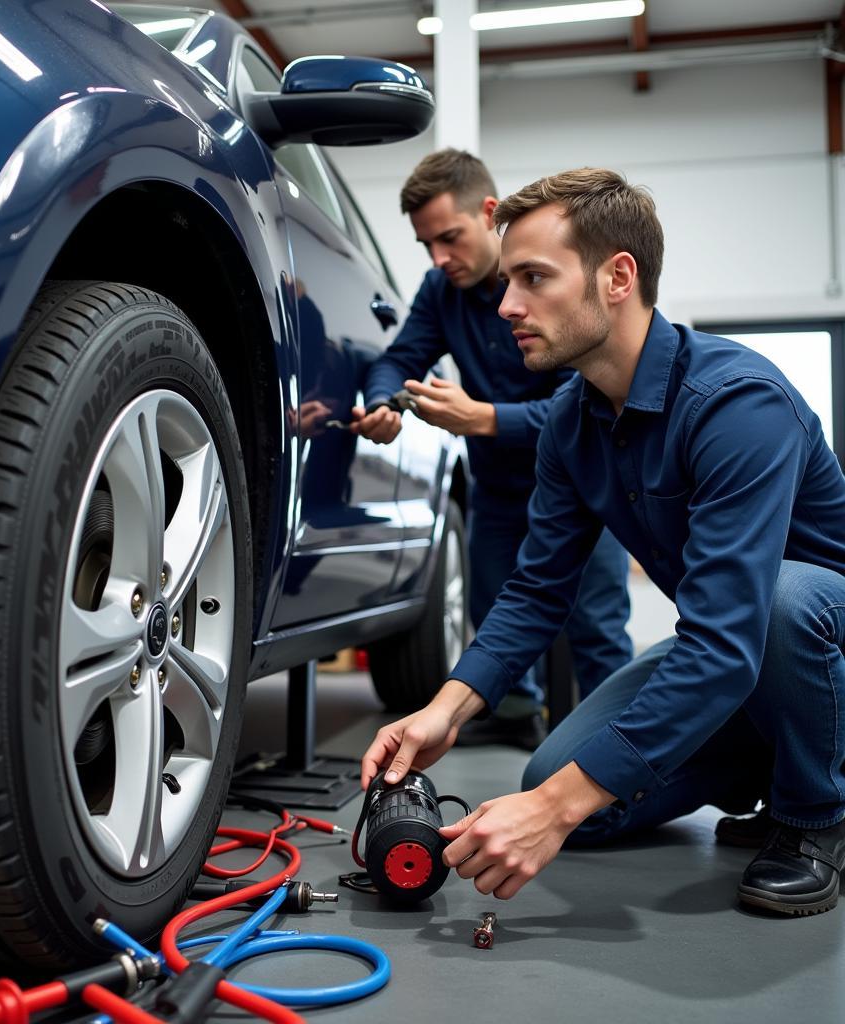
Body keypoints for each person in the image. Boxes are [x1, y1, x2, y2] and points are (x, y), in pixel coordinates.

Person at [360, 166, 845, 916]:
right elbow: (536, 589)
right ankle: (762, 756)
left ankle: (817, 813)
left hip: (806, 640)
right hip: (735, 649)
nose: (507, 305)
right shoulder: (569, 420)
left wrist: (557, 808)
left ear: (618, 277)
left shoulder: (737, 404)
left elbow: (727, 640)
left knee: (780, 601)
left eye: (533, 278)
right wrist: (444, 711)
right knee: (561, 784)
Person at [351, 149, 632, 749]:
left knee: (596, 623)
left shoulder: (546, 286)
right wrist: (382, 403)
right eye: (427, 245)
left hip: (585, 482)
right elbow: (399, 360)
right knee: (493, 604)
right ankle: (513, 715)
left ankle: (617, 745)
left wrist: (485, 418)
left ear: (488, 213)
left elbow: (579, 402)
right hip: (500, 489)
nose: (440, 258)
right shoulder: (439, 291)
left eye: (449, 239)